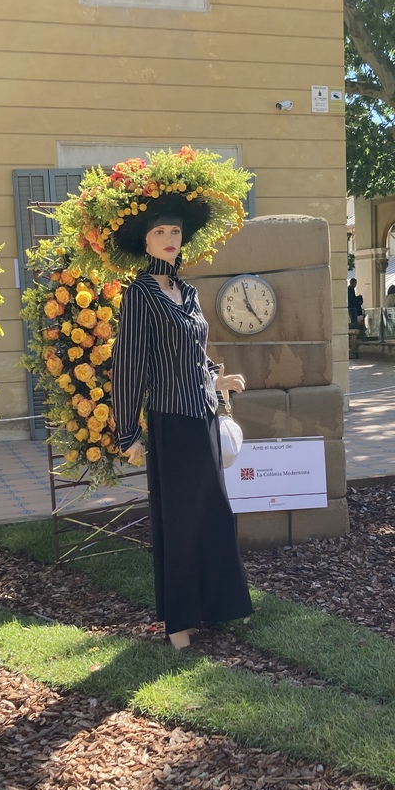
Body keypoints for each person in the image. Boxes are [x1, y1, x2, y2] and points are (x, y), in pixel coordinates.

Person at [110, 193, 254, 650]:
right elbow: (129, 365)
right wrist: (127, 432)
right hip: (171, 421)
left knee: (214, 513)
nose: (170, 238)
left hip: (203, 416)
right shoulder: (140, 295)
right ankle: (179, 624)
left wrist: (216, 377)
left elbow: (194, 352)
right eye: (160, 232)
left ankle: (216, 606)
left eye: (175, 231)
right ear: (145, 241)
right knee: (181, 520)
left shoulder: (187, 292)